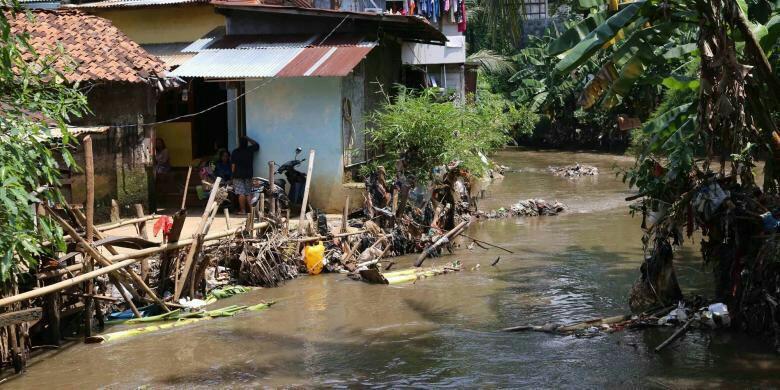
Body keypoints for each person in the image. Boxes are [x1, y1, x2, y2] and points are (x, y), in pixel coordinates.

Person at [231, 136, 259, 215]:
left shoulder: (235, 152)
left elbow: (233, 166)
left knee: (241, 193)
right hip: (248, 174)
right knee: (248, 193)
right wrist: (249, 138)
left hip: (238, 175)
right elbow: (257, 145)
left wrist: (232, 175)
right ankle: (252, 211)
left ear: (239, 143)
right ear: (247, 143)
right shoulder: (250, 150)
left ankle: (243, 211)